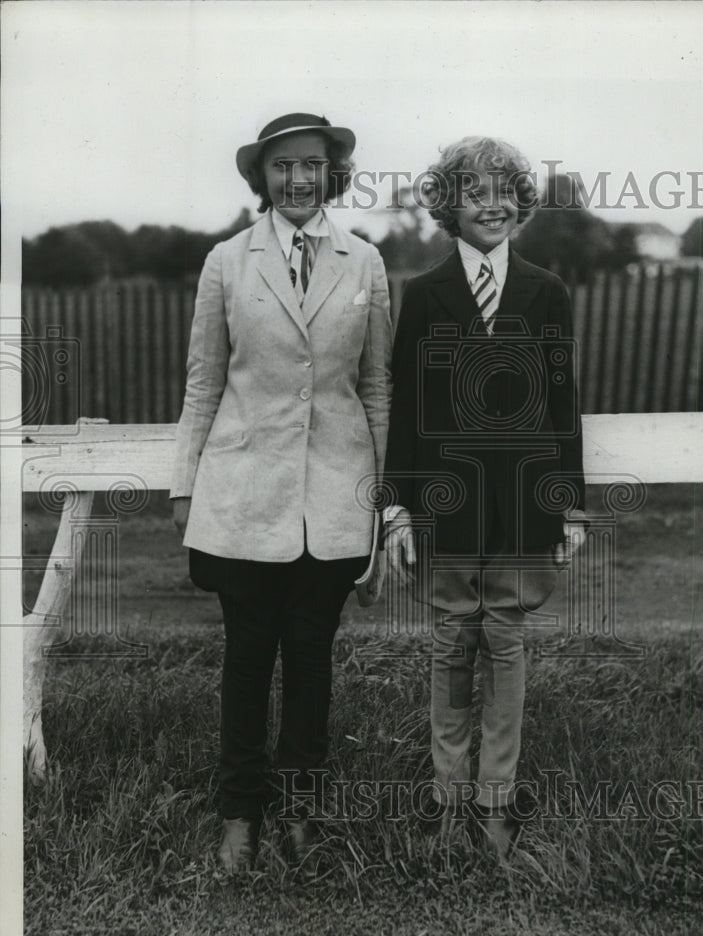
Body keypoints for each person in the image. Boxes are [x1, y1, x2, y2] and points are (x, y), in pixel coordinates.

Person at [171, 112, 392, 873]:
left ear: (332, 174)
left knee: (311, 660)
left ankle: (300, 813)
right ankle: (239, 816)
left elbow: (375, 385)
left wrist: (381, 498)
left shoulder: (364, 262)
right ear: (259, 178)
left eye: (311, 166)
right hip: (240, 495)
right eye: (281, 167)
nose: (297, 180)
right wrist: (184, 487)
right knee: (246, 655)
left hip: (334, 499)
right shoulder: (227, 262)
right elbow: (203, 382)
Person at [383, 136, 586, 858]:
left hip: (525, 503)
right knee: (449, 646)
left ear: (520, 201)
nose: (491, 203)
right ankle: (445, 799)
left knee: (505, 642)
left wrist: (568, 503)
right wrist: (396, 505)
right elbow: (406, 408)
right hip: (445, 502)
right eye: (475, 191)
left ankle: (495, 801)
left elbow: (561, 404)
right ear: (450, 204)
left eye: (504, 189)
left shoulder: (545, 291)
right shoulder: (424, 293)